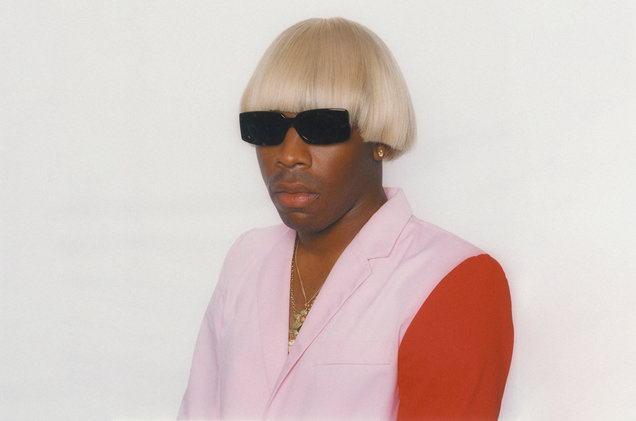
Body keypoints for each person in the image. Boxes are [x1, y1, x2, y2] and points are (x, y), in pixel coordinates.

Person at [178, 17, 513, 420]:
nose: (289, 156)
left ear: (378, 139)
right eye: (265, 127)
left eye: (320, 127)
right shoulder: (246, 257)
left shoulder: (452, 278)